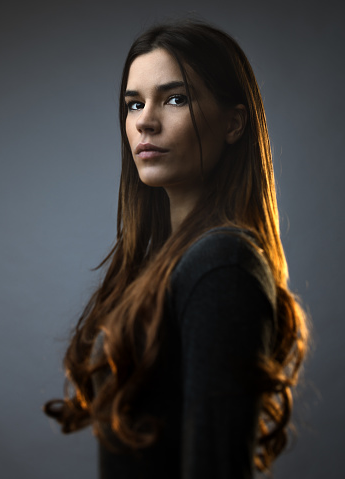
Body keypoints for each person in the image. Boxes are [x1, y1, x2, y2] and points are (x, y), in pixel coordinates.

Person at [44, 20, 309, 479]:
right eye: (133, 104)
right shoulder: (170, 264)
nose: (145, 120)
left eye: (175, 98)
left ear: (234, 123)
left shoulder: (221, 263)